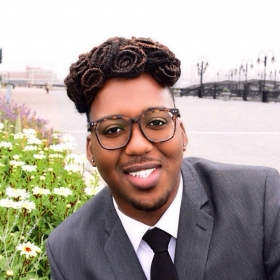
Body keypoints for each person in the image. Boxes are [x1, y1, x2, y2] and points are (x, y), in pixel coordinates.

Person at [46, 37, 280, 280]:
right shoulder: (68, 250)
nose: (138, 146)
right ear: (90, 150)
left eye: (156, 122)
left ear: (182, 132)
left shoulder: (258, 201)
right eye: (113, 129)